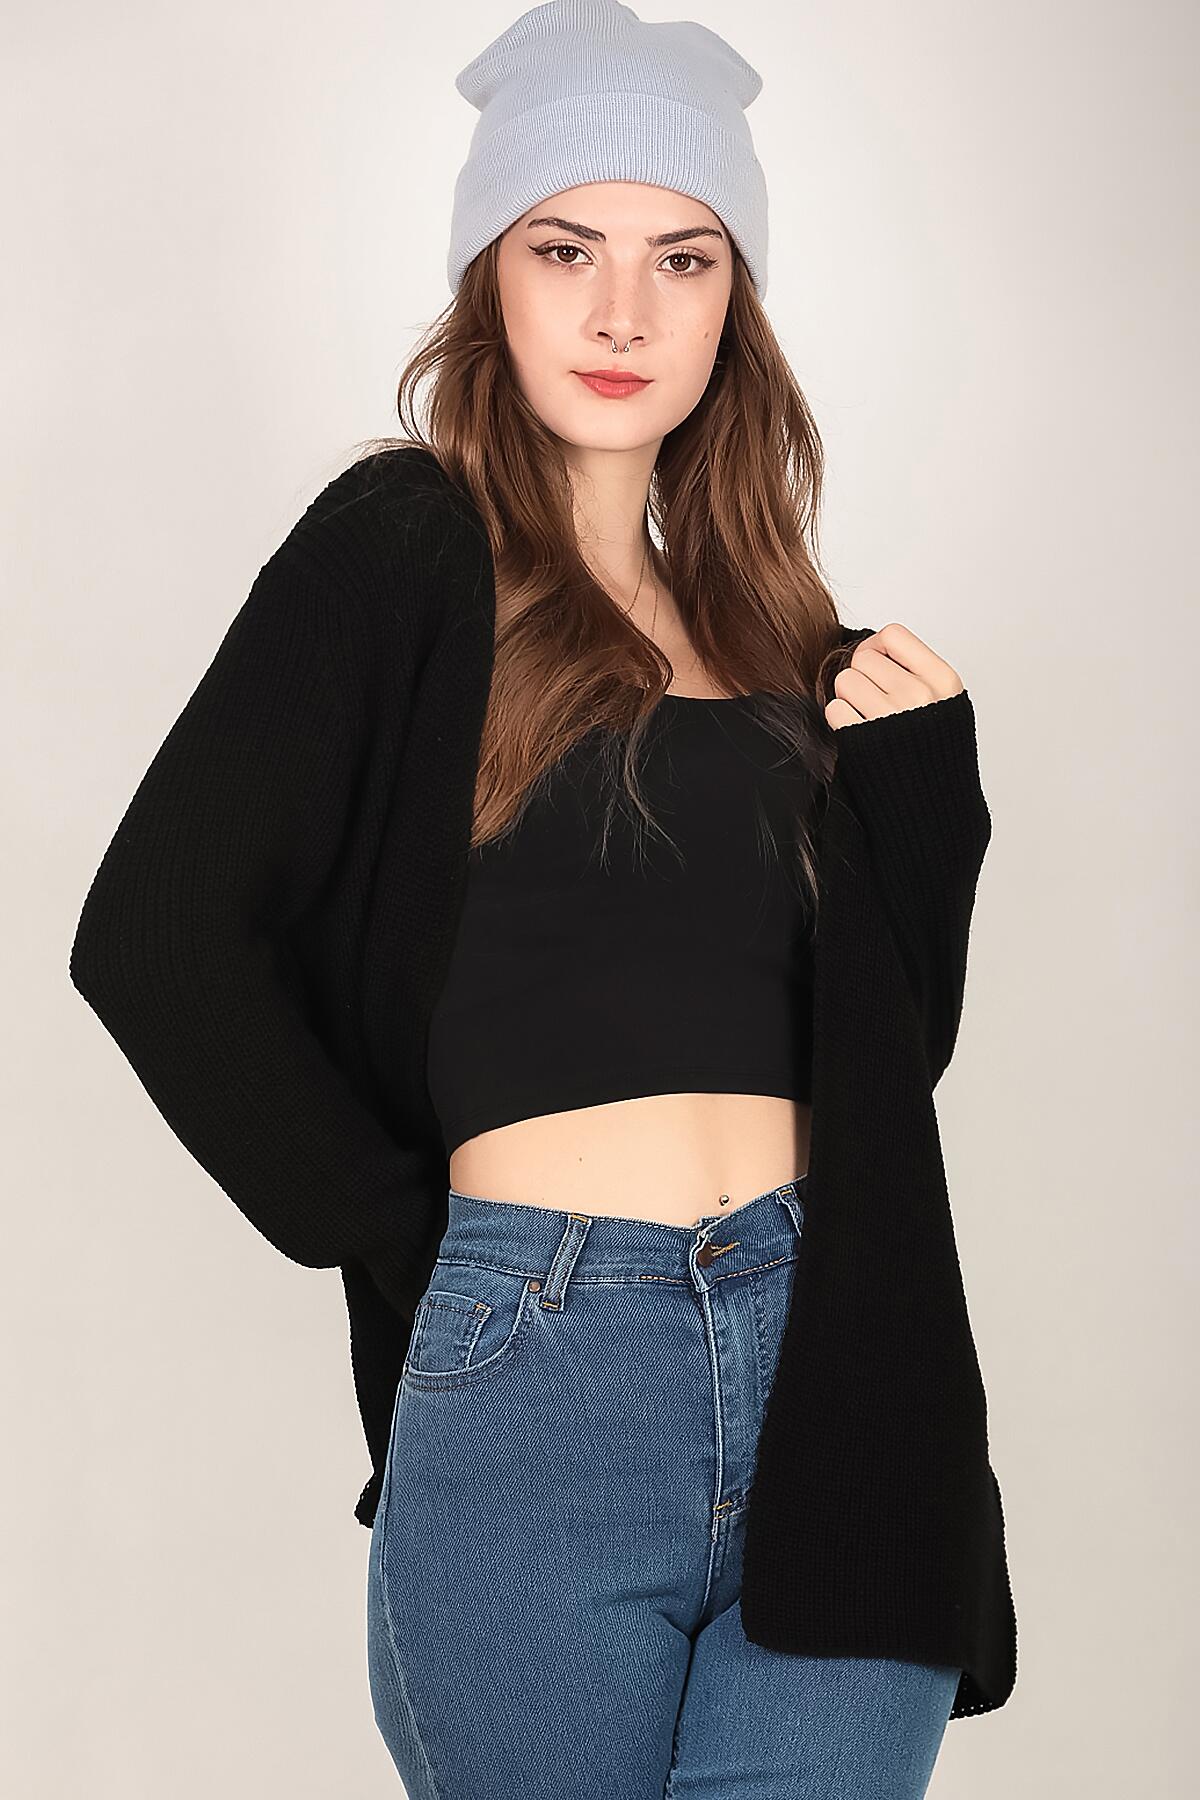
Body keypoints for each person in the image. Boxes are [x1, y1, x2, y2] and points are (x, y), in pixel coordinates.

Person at [69, 2, 1017, 1793]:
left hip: (844, 1350)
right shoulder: (403, 549)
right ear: (488, 279)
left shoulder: (778, 636)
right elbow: (156, 938)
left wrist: (924, 801)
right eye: (564, 248)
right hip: (538, 1366)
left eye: (683, 258)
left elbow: (899, 1061)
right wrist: (406, 1232)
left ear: (736, 302)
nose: (620, 312)